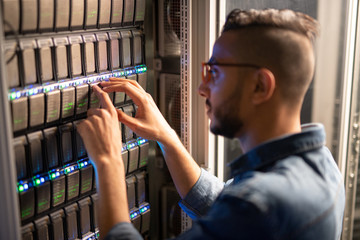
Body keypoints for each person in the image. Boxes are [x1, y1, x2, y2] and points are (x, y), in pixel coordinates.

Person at [77, 8, 345, 240]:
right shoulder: (322, 167)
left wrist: (109, 161)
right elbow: (224, 208)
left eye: (214, 72)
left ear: (260, 85)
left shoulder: (262, 205)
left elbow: (247, 211)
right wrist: (167, 138)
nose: (201, 88)